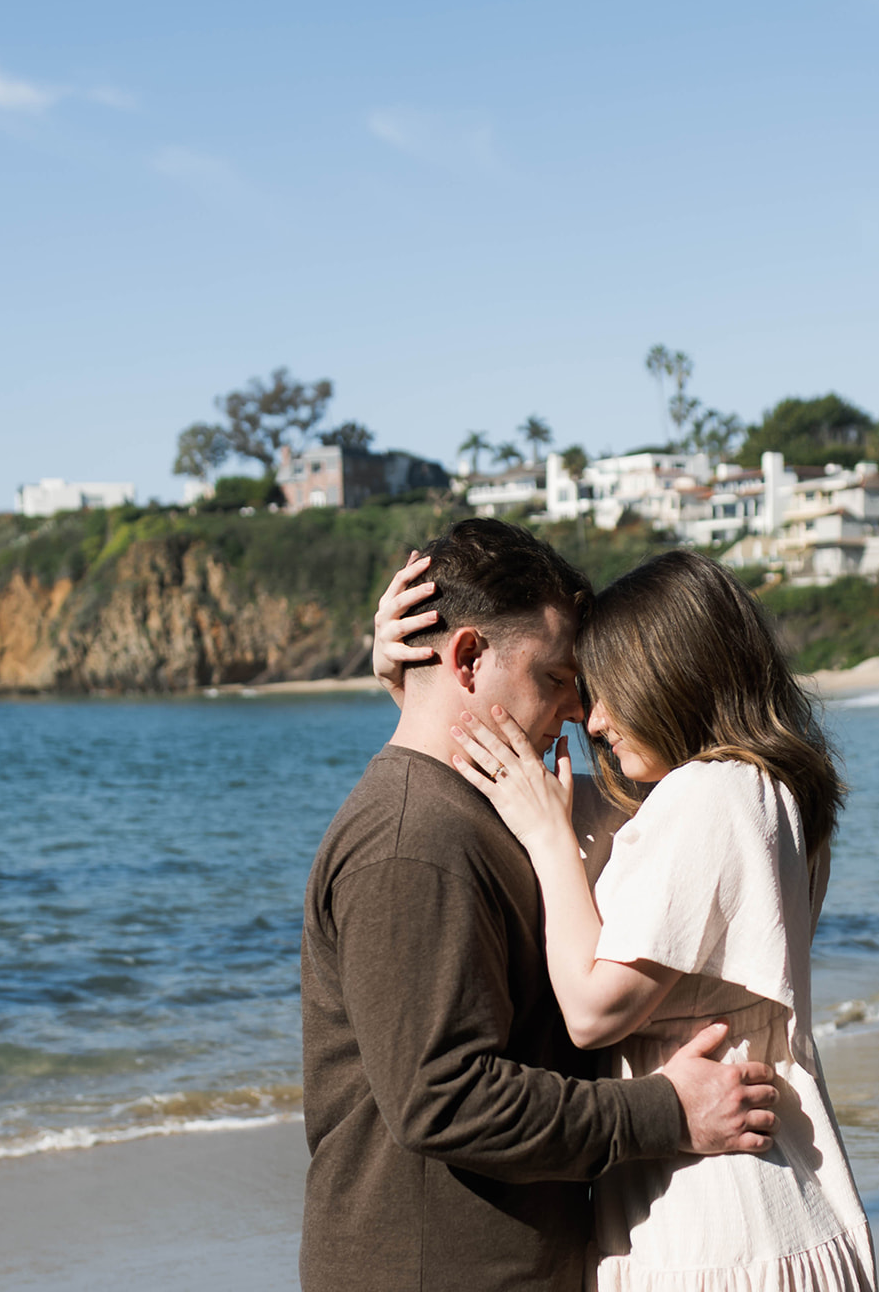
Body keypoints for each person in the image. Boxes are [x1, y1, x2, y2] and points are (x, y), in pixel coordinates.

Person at [301, 519, 780, 1292]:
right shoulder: (411, 841)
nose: (576, 712)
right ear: (466, 659)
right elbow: (444, 1099)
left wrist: (404, 685)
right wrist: (662, 1112)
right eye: (555, 678)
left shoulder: (499, 809)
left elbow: (679, 819)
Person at [442, 548, 878, 1291]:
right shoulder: (770, 794)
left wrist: (547, 839)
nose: (595, 721)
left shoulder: (710, 797)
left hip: (715, 1221)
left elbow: (590, 1009)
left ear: (675, 676)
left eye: (611, 693)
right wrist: (407, 680)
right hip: (771, 1200)